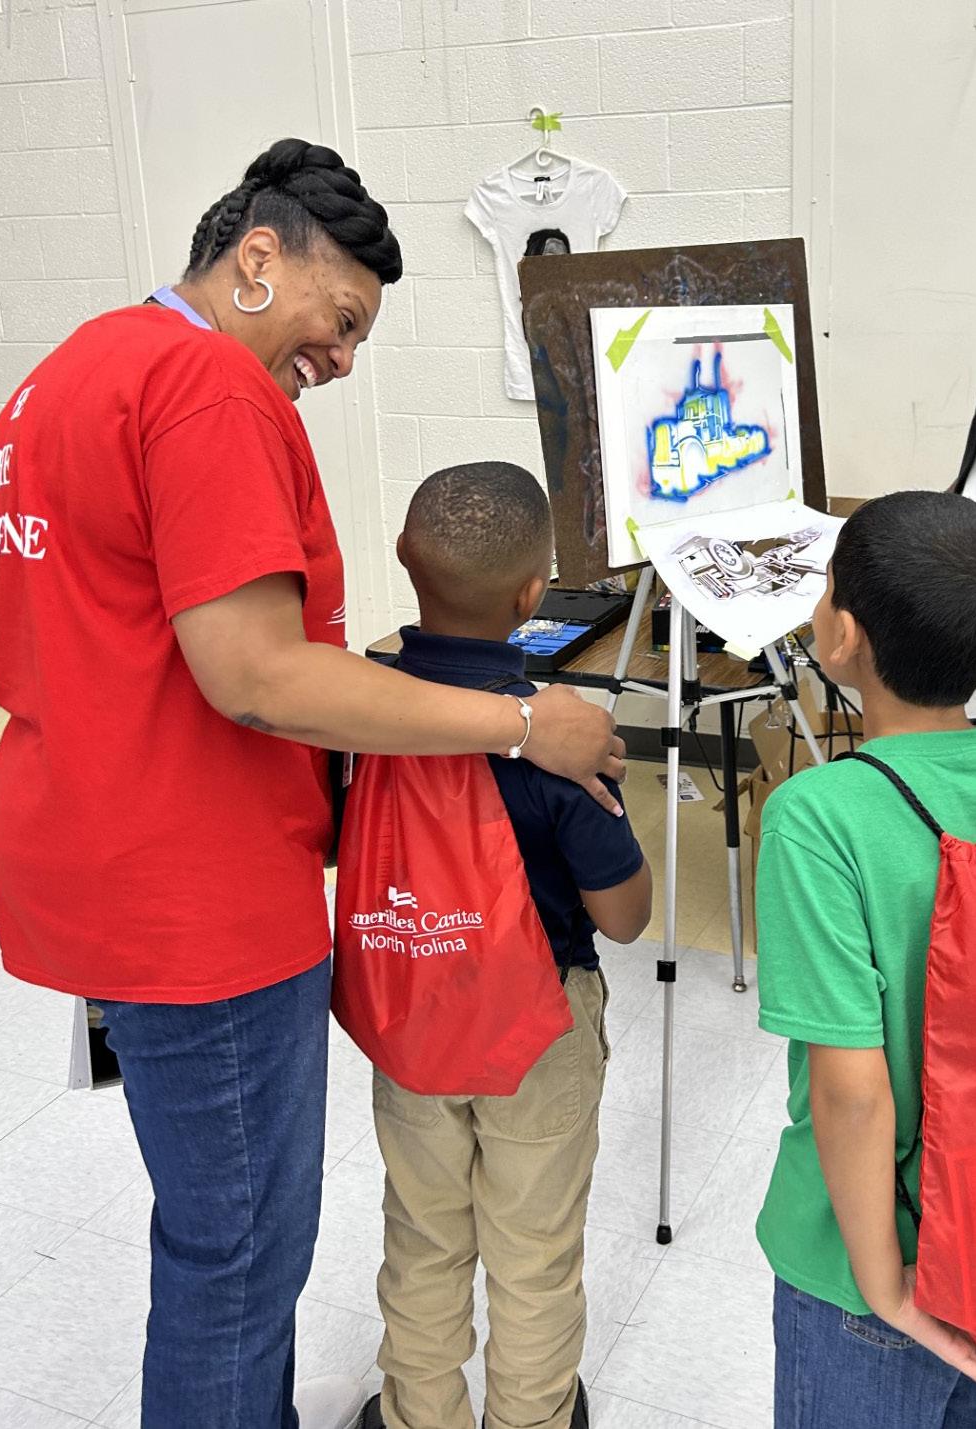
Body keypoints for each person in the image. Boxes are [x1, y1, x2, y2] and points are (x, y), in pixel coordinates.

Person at [0, 140, 627, 1429]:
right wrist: (517, 723)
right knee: (240, 1250)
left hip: (89, 854)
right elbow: (260, 676)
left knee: (212, 1222)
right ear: (258, 257)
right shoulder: (208, 385)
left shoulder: (62, 378)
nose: (342, 358)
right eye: (343, 318)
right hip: (195, 899)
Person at [354, 464, 653, 1429]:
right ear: (534, 596)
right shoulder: (562, 742)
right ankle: (531, 1418)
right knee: (534, 1254)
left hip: (411, 1012)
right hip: (539, 1033)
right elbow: (625, 918)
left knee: (422, 1236)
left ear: (404, 558)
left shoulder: (356, 716)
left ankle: (418, 1413)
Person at [754, 490, 976, 1428]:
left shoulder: (819, 817)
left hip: (871, 1269)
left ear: (843, 634)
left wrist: (886, 1286)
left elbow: (853, 1089)